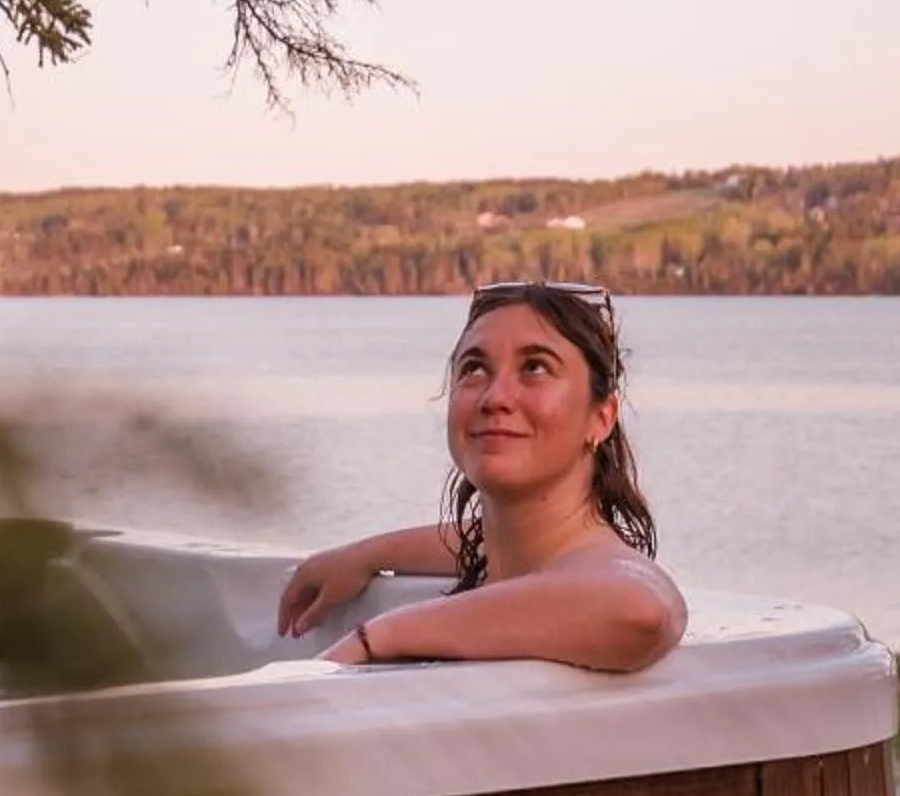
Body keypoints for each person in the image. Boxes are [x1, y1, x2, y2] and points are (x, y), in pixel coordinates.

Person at [275, 281, 686, 675]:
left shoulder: (610, 573)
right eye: (474, 369)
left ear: (602, 417)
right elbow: (485, 538)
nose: (495, 398)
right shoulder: (523, 556)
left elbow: (641, 611)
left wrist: (381, 635)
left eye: (536, 367)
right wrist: (365, 556)